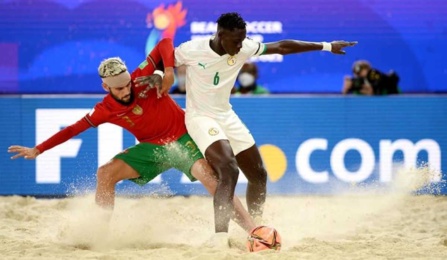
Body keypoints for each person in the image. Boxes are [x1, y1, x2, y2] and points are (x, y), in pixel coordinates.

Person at [139, 12, 356, 244]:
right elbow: (163, 58)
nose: (241, 45)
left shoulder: (242, 47)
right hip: (200, 118)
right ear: (220, 35)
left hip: (226, 115)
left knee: (259, 174)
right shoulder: (192, 49)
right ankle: (219, 237)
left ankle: (254, 232)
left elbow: (282, 47)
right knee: (229, 169)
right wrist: (160, 74)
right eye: (236, 40)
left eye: (243, 40)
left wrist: (326, 46)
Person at [7, 38, 256, 237]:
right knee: (105, 174)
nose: (127, 91)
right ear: (106, 87)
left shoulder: (141, 79)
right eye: (119, 88)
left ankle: (253, 230)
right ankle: (99, 234)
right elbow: (72, 130)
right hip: (152, 148)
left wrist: (168, 72)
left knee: (213, 182)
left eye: (127, 84)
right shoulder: (104, 109)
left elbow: (165, 42)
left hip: (183, 138)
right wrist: (38, 149)